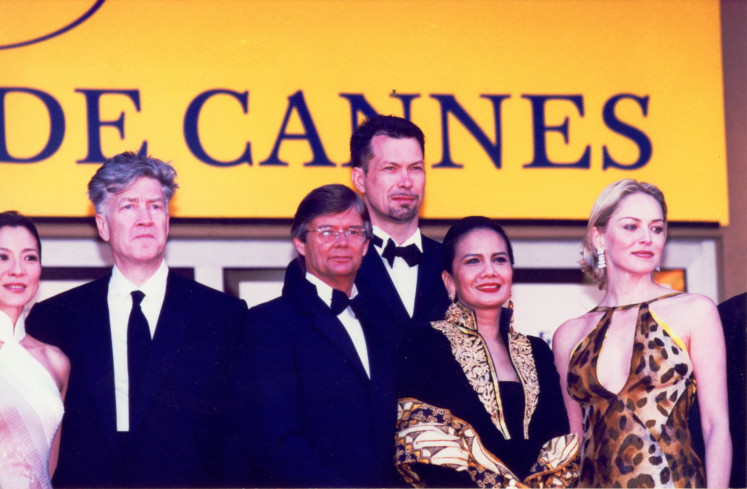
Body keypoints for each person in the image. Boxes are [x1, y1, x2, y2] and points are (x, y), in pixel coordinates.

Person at [26, 152, 249, 488]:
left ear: (168, 220)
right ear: (103, 225)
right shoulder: (55, 318)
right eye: (128, 206)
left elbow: (237, 440)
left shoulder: (222, 316)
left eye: (155, 206)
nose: (145, 218)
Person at [552, 179, 731, 488]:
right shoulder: (569, 335)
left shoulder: (694, 311)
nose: (647, 238)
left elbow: (716, 427)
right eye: (631, 227)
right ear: (599, 238)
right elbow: (573, 445)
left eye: (657, 228)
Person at [234, 184, 399, 487]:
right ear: (299, 242)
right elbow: (276, 441)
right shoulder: (267, 324)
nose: (341, 242)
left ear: (365, 244)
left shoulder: (383, 323)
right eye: (326, 231)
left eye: (353, 231)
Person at [395, 216, 578, 488]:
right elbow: (424, 446)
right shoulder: (424, 343)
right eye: (473, 261)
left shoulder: (537, 351)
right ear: (449, 280)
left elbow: (559, 443)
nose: (489, 271)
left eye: (499, 259)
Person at [350, 115, 450, 344]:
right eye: (390, 168)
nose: (405, 181)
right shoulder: (331, 263)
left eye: (415, 168)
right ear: (359, 179)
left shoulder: (452, 262)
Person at [0, 211, 70, 489]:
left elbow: (49, 468)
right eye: (2, 257)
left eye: (29, 257)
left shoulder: (55, 362)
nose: (17, 269)